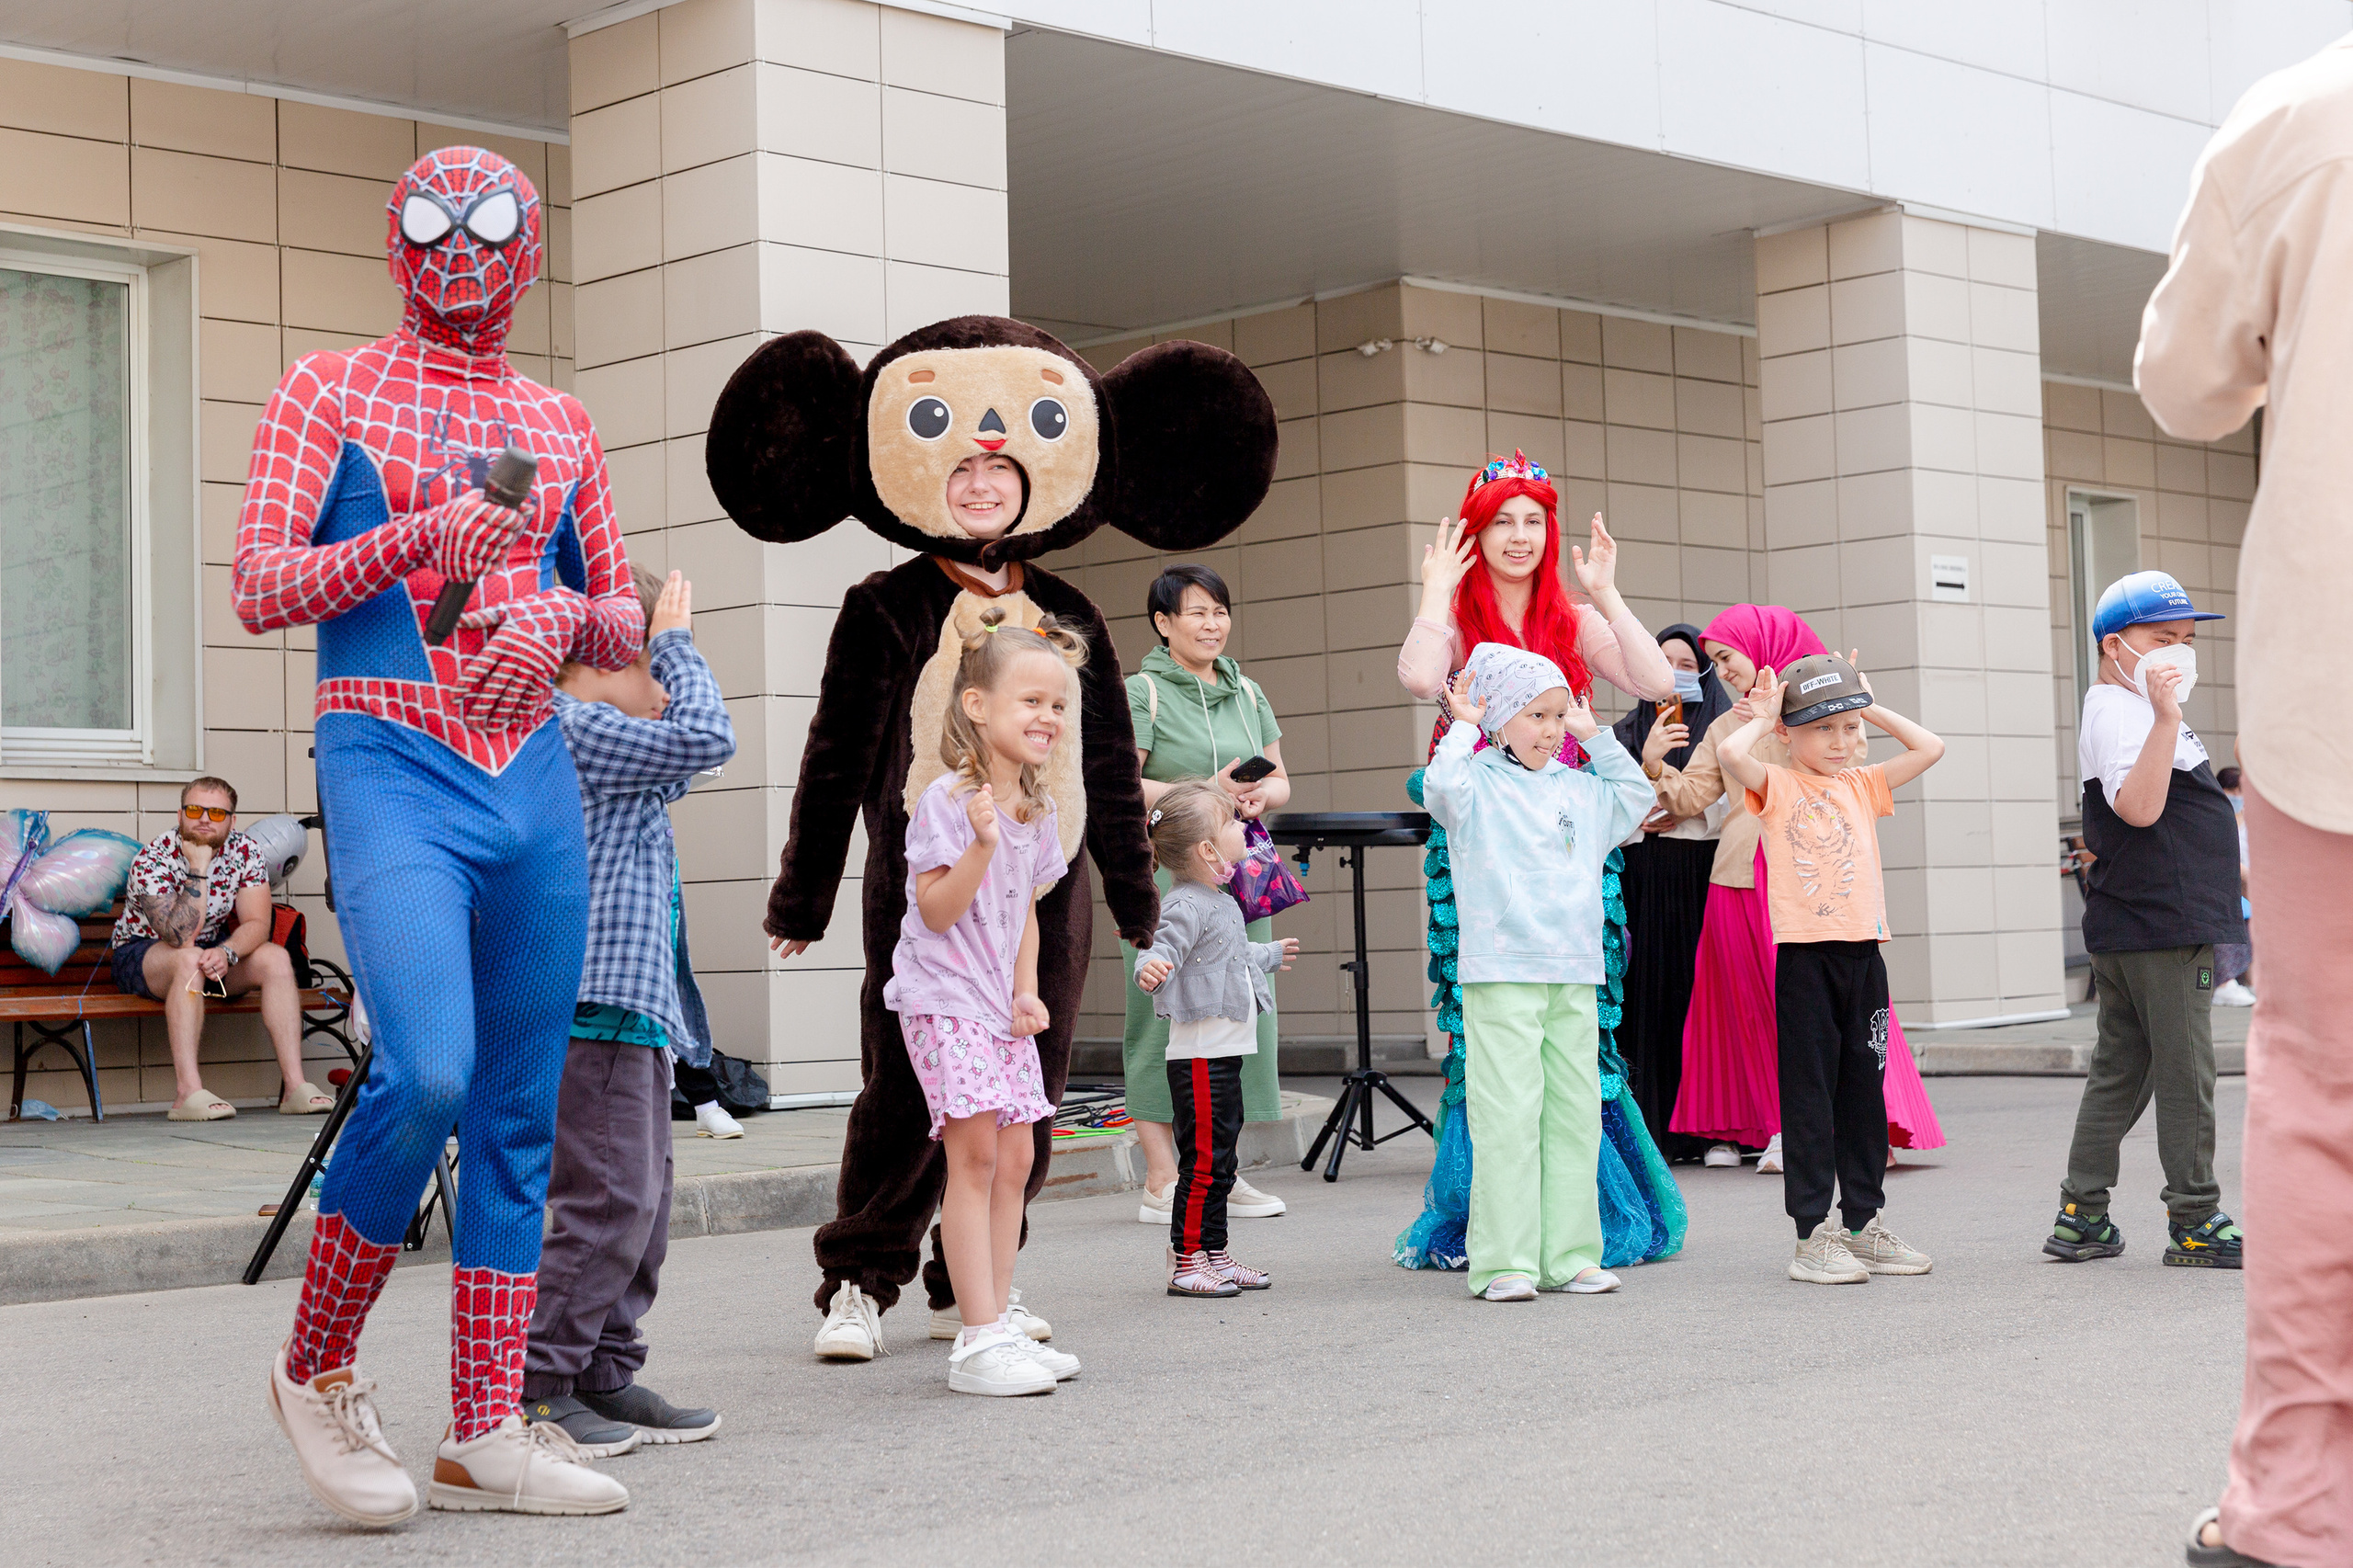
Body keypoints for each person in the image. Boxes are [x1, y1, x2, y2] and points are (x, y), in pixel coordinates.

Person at [239, 147, 638, 1522]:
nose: (460, 252)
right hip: (389, 754)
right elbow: (261, 582)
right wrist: (415, 540)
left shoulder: (559, 421)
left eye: (489, 227)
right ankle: (316, 1365)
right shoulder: (329, 387)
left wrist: (554, 620)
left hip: (531, 775)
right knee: (428, 1070)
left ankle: (485, 1423)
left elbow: (623, 619)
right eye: (432, 224)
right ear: (398, 240)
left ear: (529, 244)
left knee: (526, 1108)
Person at [2138, 41, 2353, 1566]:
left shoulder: (2302, 114)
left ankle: (2296, 1503)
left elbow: (2187, 382)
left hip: (2338, 689)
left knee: (2323, 1093)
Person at [1392, 451, 1684, 1276]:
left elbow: (1659, 678)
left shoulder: (1569, 613)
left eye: (1533, 521)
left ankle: (1575, 1231)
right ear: (1474, 535)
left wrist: (1606, 594)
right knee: (1489, 1053)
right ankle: (1498, 1239)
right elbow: (1419, 676)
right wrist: (1434, 592)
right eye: (1501, 521)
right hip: (1484, 833)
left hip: (1567, 825)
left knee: (1576, 1048)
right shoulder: (1455, 614)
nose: (1519, 537)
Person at [519, 569, 735, 1455]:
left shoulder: (613, 735)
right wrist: (676, 641)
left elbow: (695, 748)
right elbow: (709, 734)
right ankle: (538, 1385)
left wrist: (666, 648)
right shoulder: (573, 729)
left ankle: (602, 1374)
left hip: (634, 1013)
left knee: (641, 1206)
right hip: (592, 1010)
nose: (669, 686)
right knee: (607, 1200)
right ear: (607, 659)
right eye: (654, 666)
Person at [1659, 605, 1944, 1170]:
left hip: (1814, 883)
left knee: (1826, 1013)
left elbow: (1872, 759)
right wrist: (1652, 763)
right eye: (1712, 662)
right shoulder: (1728, 725)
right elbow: (1691, 798)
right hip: (1740, 876)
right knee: (1749, 1009)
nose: (1720, 673)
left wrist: (1851, 704)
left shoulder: (1827, 720)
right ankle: (1772, 1127)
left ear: (1763, 646)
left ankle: (1852, 1129)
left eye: (1725, 658)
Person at [885, 608, 1089, 1396]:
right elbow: (936, 910)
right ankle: (975, 1341)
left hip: (996, 1004)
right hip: (942, 998)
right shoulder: (949, 799)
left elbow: (1026, 913)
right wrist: (977, 845)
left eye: (1058, 705)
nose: (1048, 718)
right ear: (978, 706)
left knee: (1017, 1158)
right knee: (971, 1157)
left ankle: (998, 1320)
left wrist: (1027, 991)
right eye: (1031, 701)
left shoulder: (1037, 809)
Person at [1421, 644, 1659, 1301]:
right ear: (1500, 717)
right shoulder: (1474, 783)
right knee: (1507, 1116)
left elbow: (1638, 798)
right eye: (1537, 715)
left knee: (1574, 1115)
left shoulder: (1581, 789)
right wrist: (1464, 722)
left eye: (1558, 715)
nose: (1552, 729)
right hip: (1500, 973)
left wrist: (1596, 736)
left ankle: (1572, 1256)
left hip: (1574, 973)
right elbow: (1439, 787)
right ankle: (1504, 1263)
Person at [1717, 653, 1944, 1285]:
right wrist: (1765, 716)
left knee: (1862, 1096)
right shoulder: (1778, 782)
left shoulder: (1863, 784)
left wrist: (1862, 703)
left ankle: (1862, 1226)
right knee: (1810, 1099)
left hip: (1864, 956)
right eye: (1824, 728)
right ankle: (1811, 1236)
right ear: (1791, 734)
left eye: (1850, 729)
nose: (1842, 741)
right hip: (1806, 958)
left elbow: (1931, 746)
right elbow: (1734, 758)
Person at [2041, 570, 2245, 1274]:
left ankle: (2082, 1215)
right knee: (2187, 1072)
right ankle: (2195, 1218)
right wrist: (2163, 718)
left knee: (2121, 1073)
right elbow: (2140, 809)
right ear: (2113, 644)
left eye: (2187, 641)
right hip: (2162, 923)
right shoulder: (2125, 711)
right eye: (2163, 639)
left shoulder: (2130, 707)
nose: (2178, 654)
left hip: (2140, 919)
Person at [1123, 563, 1292, 1230]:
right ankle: (1162, 1175)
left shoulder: (1248, 692)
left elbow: (1282, 783)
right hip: (1163, 871)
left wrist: (1252, 796)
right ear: (1164, 624)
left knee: (1238, 1009)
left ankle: (1217, 1168)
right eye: (1195, 612)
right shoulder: (1142, 693)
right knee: (1161, 1011)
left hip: (1237, 871)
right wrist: (1207, 795)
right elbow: (1120, 783)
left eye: (1219, 610)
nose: (1211, 623)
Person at [1132, 780, 1299, 1296]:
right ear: (1207, 849)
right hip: (1200, 1055)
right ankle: (1186, 1261)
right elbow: (1157, 946)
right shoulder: (1185, 903)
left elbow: (1228, 956)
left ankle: (1217, 1255)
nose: (1240, 828)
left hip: (1225, 1050)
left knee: (1221, 1159)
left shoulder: (1218, 899)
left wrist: (1267, 956)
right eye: (1229, 823)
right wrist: (1149, 966)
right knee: (1202, 1162)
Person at [108, 777, 328, 1120]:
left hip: (209, 952)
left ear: (232, 819)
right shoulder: (153, 858)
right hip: (144, 954)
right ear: (180, 814)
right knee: (188, 958)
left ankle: (295, 1087)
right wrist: (199, 869)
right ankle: (187, 1093)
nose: (205, 819)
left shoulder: (245, 851)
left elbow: (258, 923)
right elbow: (178, 938)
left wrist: (227, 954)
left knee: (275, 957)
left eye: (216, 812)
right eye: (194, 810)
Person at [1611, 625, 1732, 1161]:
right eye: (1662, 662)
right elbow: (1603, 803)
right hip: (1641, 874)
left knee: (1698, 995)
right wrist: (1642, 808)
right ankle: (1650, 1131)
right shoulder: (1620, 734)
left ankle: (1711, 1128)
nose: (1675, 673)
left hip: (1700, 873)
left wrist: (1684, 809)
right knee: (1645, 992)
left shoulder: (1725, 729)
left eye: (1688, 663)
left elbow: (1739, 802)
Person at [2211, 767, 2255, 1007]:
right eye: (2232, 790)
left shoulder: (2253, 819)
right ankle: (2226, 983)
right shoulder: (2215, 818)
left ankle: (2253, 980)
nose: (2238, 796)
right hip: (2226, 890)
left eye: (2242, 791)